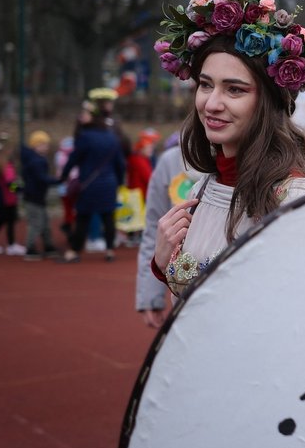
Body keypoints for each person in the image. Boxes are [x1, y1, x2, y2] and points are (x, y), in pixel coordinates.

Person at [150, 0, 305, 297]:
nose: (212, 103)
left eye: (234, 90)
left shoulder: (296, 197)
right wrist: (164, 263)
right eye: (206, 85)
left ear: (268, 103)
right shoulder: (207, 184)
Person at [135, 135, 197, 328]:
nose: (214, 106)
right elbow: (156, 228)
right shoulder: (172, 160)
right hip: (187, 301)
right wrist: (150, 295)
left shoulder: (268, 159)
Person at [58, 93, 126, 263]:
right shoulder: (111, 137)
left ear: (93, 116)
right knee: (108, 217)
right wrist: (118, 181)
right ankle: (110, 250)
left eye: (85, 114)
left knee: (83, 217)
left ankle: (74, 251)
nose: (81, 117)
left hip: (89, 183)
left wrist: (64, 176)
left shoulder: (85, 137)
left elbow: (74, 158)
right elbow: (120, 163)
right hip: (109, 182)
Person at [20, 130, 61, 260]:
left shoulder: (34, 159)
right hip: (34, 197)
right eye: (43, 144)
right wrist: (58, 180)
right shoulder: (36, 161)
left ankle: (49, 246)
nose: (47, 147)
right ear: (36, 145)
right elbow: (41, 178)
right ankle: (30, 248)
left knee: (45, 223)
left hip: (37, 196)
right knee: (36, 223)